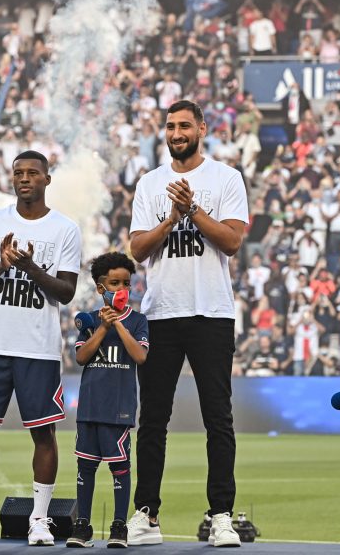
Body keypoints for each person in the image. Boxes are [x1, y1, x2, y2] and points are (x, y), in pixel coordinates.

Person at [127, 100, 248, 548]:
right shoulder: (150, 183)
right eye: (170, 126)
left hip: (211, 311)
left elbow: (233, 242)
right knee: (153, 418)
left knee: (218, 417)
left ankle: (221, 515)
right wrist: (172, 218)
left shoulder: (225, 178)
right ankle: (146, 513)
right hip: (160, 312)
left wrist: (193, 209)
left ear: (202, 128)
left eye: (184, 125)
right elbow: (138, 249)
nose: (176, 133)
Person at [0, 150, 81, 547]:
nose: (25, 179)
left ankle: (39, 519)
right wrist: (1, 267)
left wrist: (29, 268)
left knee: (43, 433)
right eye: (18, 173)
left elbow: (67, 290)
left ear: (47, 179)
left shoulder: (64, 229)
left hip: (38, 350)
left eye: (33, 173)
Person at [66, 252, 149, 549]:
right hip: (90, 406)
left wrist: (119, 325)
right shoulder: (89, 320)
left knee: (120, 467)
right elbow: (81, 357)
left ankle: (118, 526)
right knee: (85, 467)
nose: (122, 289)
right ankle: (83, 525)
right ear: (101, 288)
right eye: (115, 283)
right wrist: (103, 326)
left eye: (126, 283)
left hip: (119, 408)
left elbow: (140, 356)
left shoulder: (138, 321)